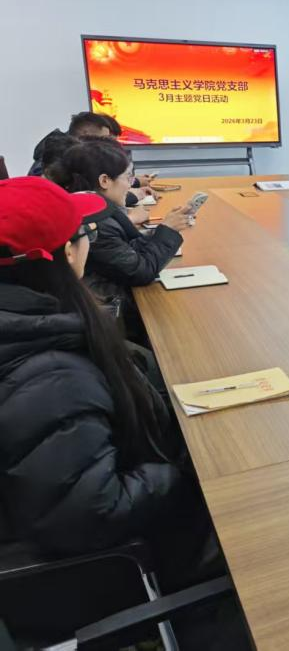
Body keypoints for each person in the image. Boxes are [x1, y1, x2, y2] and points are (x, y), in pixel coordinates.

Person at [0, 177, 215, 583]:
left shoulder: (34, 333)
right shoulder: (53, 378)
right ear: (68, 252)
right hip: (136, 562)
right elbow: (92, 513)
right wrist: (187, 469)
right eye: (87, 235)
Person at [49, 138, 189, 317]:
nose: (130, 185)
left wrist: (161, 231)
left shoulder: (96, 210)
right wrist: (168, 231)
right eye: (127, 177)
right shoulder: (95, 223)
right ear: (104, 181)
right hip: (107, 310)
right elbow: (140, 272)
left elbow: (126, 250)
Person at [27, 112, 113, 176]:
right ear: (85, 134)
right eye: (103, 139)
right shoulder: (54, 160)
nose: (107, 144)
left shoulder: (76, 159)